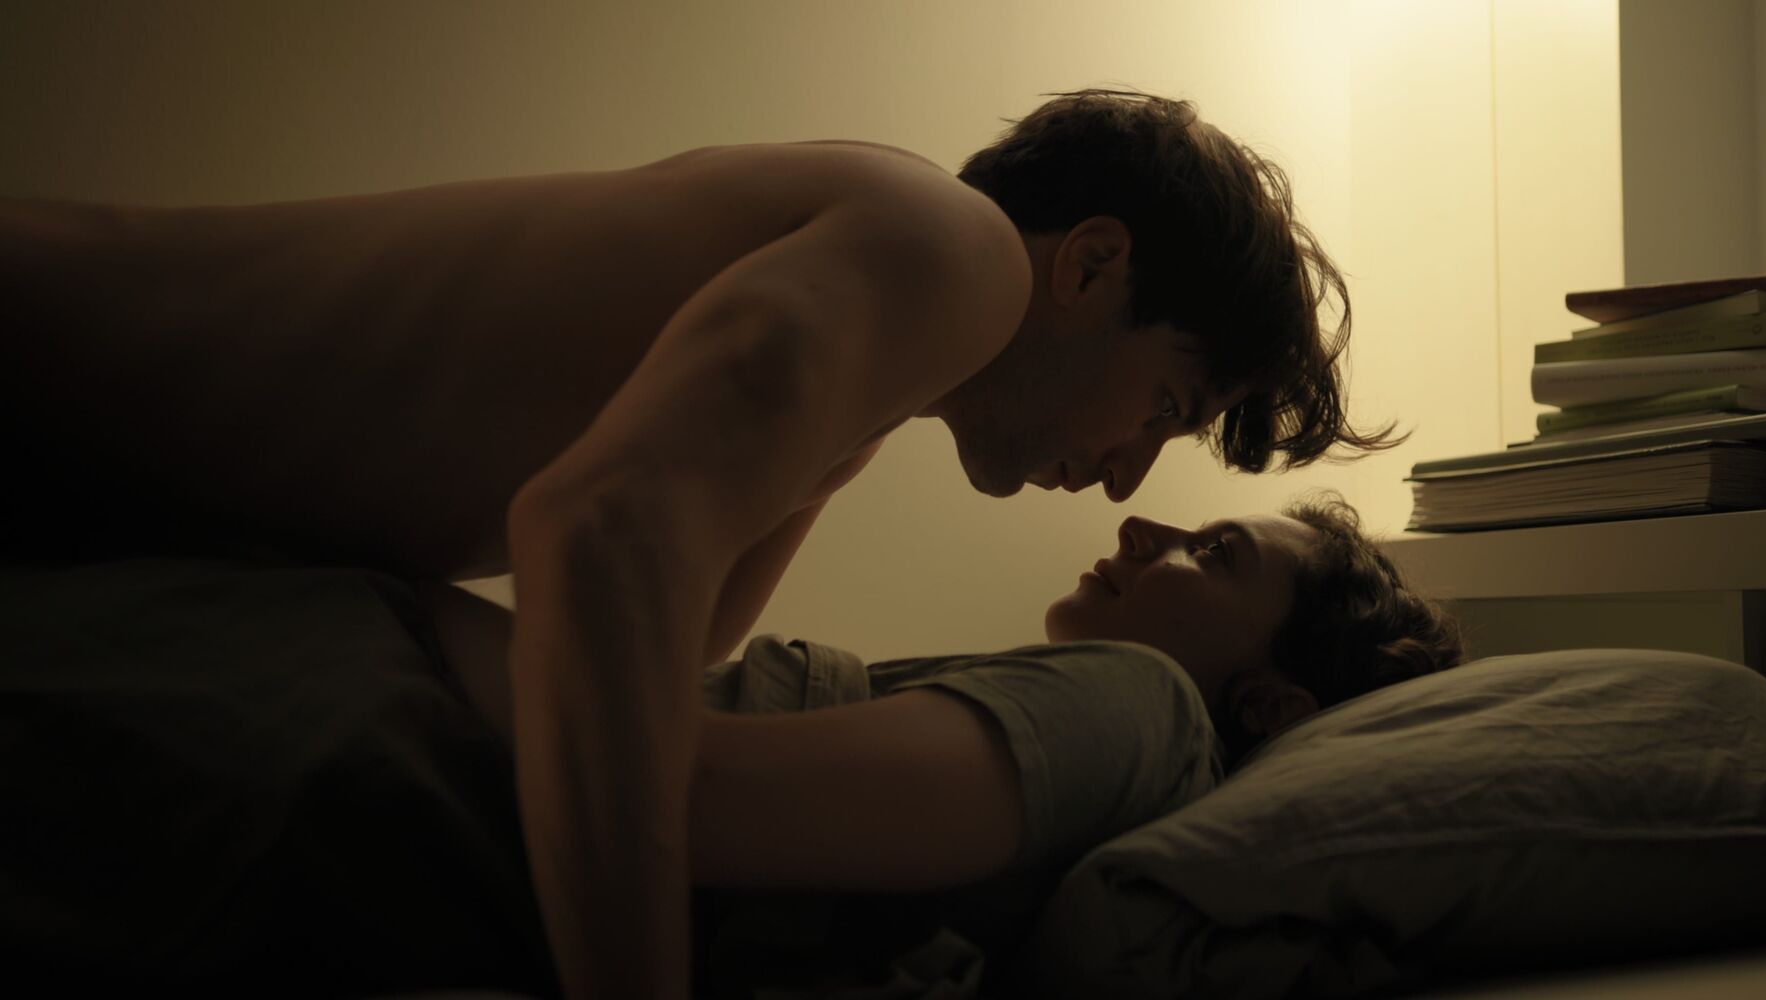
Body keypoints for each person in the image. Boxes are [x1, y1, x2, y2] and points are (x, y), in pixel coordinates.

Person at [3, 90, 1396, 995]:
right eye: (1163, 407)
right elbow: (598, 539)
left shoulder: (863, 396)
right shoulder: (951, 250)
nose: (1125, 480)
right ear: (1088, 266)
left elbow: (671, 650)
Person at [406, 491, 1463, 997]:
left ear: (1269, 706)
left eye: (1215, 553)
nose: (1143, 526)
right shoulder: (1122, 800)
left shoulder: (1146, 705)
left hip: (408, 732)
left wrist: (405, 607)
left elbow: (671, 795)